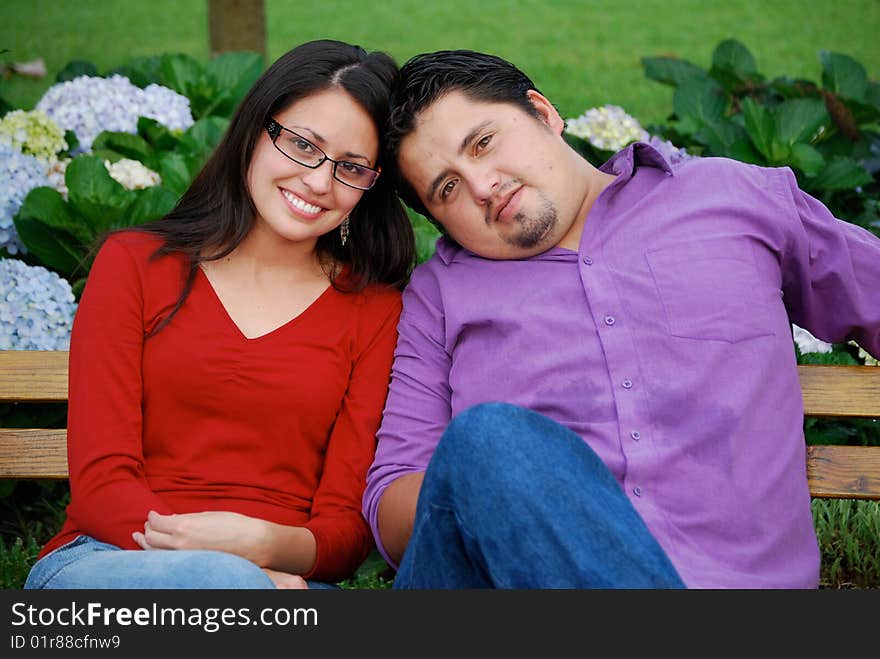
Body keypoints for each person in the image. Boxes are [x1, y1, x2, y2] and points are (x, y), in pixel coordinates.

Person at [363, 49, 880, 588]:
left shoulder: (733, 200)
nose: (482, 186)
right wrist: (511, 483)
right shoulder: (441, 295)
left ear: (543, 113)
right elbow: (394, 503)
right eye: (446, 188)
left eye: (484, 143)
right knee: (491, 440)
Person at [25, 39, 414, 590]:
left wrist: (261, 550)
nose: (320, 182)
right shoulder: (135, 265)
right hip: (109, 559)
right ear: (256, 130)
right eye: (303, 145)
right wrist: (232, 566)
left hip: (286, 581)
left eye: (351, 167)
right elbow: (101, 484)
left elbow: (345, 529)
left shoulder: (375, 312)